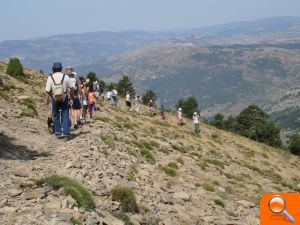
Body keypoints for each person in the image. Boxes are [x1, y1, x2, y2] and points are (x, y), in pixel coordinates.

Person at [44, 62, 74, 141]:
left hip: (54, 98)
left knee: (55, 114)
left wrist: (46, 100)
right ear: (61, 68)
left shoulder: (50, 77)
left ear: (53, 69)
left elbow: (47, 91)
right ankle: (66, 134)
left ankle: (57, 132)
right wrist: (71, 97)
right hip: (64, 97)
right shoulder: (66, 76)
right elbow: (71, 88)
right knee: (65, 114)